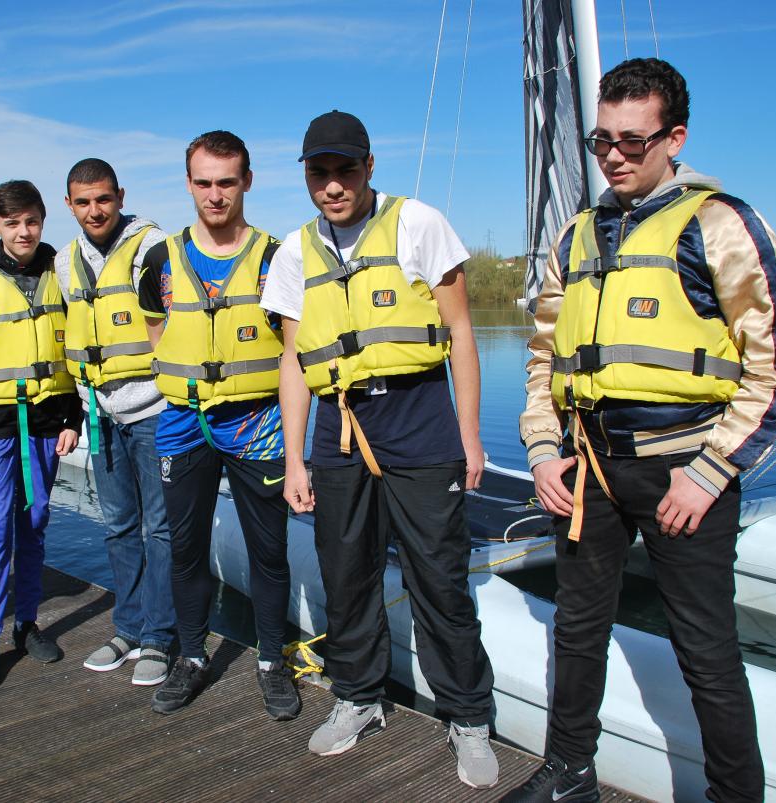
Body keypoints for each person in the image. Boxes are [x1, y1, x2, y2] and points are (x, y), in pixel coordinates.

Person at [503, 58, 776, 802]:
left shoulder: (720, 225)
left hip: (684, 473)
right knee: (577, 629)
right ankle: (570, 771)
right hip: (588, 471)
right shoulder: (576, 235)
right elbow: (543, 358)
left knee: (705, 650)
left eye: (632, 141)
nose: (613, 156)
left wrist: (709, 473)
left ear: (674, 138)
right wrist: (542, 451)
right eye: (601, 139)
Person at [263, 110, 499, 788]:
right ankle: (358, 695)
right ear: (306, 176)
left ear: (369, 166)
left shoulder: (419, 224)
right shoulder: (294, 252)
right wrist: (294, 459)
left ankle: (467, 716)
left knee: (439, 577)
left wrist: (469, 434)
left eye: (345, 170)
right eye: (319, 173)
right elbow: (292, 361)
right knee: (346, 573)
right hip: (337, 424)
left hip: (418, 416)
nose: (333, 186)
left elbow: (460, 332)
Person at [137, 130, 300, 720]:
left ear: (247, 182)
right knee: (185, 548)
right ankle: (190, 655)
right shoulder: (160, 260)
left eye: (227, 182)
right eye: (203, 182)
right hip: (184, 423)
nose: (215, 195)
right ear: (188, 183)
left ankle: (272, 662)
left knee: (269, 551)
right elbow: (157, 330)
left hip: (256, 422)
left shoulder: (276, 258)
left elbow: (294, 350)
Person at [0, 180, 83, 691]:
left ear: (42, 221)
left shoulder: (59, 272)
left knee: (36, 523)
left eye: (31, 222)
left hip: (48, 424)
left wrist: (73, 419)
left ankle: (26, 624)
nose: (23, 232)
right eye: (12, 224)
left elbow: (75, 350)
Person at [55, 158, 175, 686]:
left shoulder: (153, 247)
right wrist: (81, 406)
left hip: (154, 411)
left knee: (160, 529)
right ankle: (127, 629)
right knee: (119, 527)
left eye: (103, 199)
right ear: (69, 205)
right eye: (83, 202)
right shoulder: (64, 262)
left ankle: (160, 637)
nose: (94, 210)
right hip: (100, 416)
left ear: (120, 196)